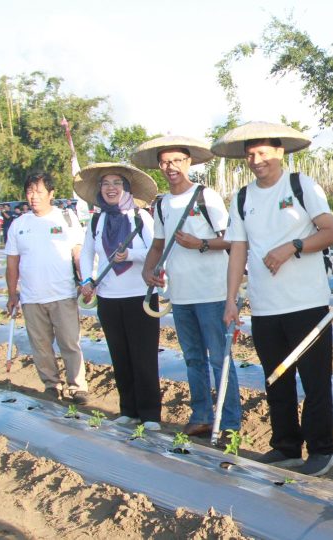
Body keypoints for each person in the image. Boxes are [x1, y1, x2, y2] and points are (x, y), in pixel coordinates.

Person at [215, 121, 333, 477]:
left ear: (280, 152)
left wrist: (293, 246)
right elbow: (238, 249)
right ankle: (286, 446)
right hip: (265, 306)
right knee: (275, 379)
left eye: (263, 153)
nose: (256, 160)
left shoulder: (301, 185)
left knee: (315, 381)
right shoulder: (243, 197)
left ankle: (322, 450)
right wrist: (231, 298)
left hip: (306, 303)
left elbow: (330, 232)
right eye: (250, 154)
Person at [135, 135, 242, 441]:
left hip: (212, 292)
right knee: (193, 358)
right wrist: (147, 270)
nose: (171, 167)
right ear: (159, 166)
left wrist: (201, 244)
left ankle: (229, 421)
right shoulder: (161, 204)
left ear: (189, 162)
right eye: (165, 162)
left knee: (220, 358)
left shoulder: (206, 197)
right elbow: (158, 245)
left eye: (177, 161)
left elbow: (231, 240)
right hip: (181, 295)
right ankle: (202, 416)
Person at [77, 163, 161, 431]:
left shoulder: (140, 218)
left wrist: (131, 255)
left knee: (144, 356)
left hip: (140, 296)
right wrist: (87, 279)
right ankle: (129, 410)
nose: (111, 188)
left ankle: (150, 414)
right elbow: (87, 253)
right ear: (99, 190)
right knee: (120, 355)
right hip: (109, 297)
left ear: (127, 189)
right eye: (106, 184)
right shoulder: (97, 220)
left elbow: (156, 251)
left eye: (117, 183)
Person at [5, 172, 89, 404]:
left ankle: (77, 386)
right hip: (31, 297)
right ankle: (52, 385)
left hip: (63, 294)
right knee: (41, 346)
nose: (34, 196)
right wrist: (12, 294)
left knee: (70, 342)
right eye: (30, 192)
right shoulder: (18, 225)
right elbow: (12, 263)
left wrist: (84, 281)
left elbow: (78, 253)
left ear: (51, 194)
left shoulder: (66, 218)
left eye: (39, 191)